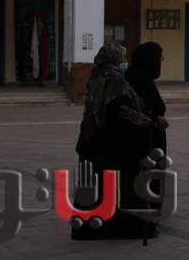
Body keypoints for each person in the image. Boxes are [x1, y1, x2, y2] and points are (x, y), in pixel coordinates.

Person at [73, 43, 157, 240]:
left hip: (91, 138)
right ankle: (116, 227)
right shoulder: (114, 78)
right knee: (114, 185)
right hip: (110, 140)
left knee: (95, 186)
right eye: (122, 56)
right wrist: (146, 120)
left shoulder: (96, 74)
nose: (124, 61)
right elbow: (119, 108)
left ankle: (90, 227)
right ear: (115, 57)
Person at [125, 42, 168, 156]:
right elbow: (130, 111)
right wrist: (156, 119)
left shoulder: (138, 77)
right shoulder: (140, 81)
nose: (161, 61)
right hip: (142, 142)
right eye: (159, 58)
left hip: (147, 139)